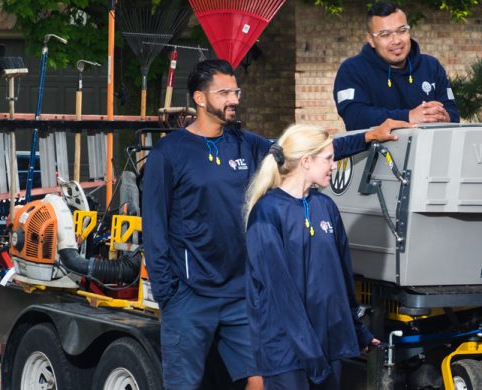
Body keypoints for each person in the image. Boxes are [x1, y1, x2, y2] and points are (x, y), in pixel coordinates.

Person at [143, 59, 404, 390]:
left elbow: (306, 152)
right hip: (191, 297)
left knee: (262, 381)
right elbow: (154, 228)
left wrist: (368, 135)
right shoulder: (170, 152)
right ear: (199, 98)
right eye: (224, 92)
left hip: (240, 295)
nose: (233, 99)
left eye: (235, 91)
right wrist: (170, 294)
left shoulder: (246, 144)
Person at [243, 124, 378, 389]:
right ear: (306, 161)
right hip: (287, 354)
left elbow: (341, 281)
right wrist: (313, 358)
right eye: (328, 158)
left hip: (327, 347)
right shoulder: (267, 213)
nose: (334, 165)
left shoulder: (326, 207)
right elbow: (281, 297)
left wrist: (357, 330)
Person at [333, 1, 460, 131]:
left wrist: (444, 117)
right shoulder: (352, 70)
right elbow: (354, 118)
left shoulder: (431, 66)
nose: (396, 40)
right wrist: (409, 116)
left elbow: (453, 113)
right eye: (385, 34)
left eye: (401, 31)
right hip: (374, 151)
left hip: (428, 149)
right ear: (371, 39)